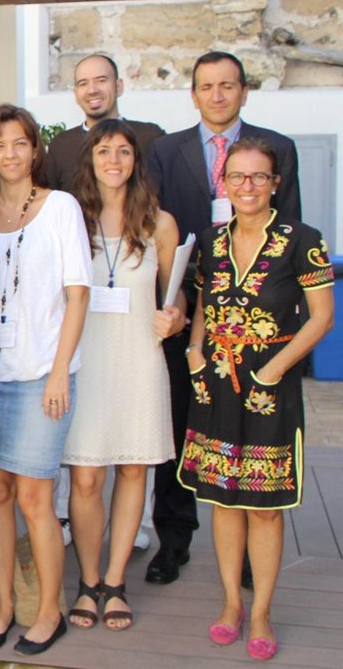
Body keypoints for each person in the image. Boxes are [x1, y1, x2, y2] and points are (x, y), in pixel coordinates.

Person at [144, 50, 301, 586]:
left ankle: (254, 555)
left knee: (252, 435)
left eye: (227, 85)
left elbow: (291, 231)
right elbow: (157, 224)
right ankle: (174, 541)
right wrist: (176, 307)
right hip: (187, 307)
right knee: (180, 425)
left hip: (256, 320)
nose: (217, 95)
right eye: (207, 86)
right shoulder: (165, 150)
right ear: (193, 95)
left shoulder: (278, 149)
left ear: (243, 91)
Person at [180, 139, 333, 661]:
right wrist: (195, 350)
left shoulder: (302, 241)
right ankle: (231, 603)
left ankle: (262, 611)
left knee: (264, 507)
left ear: (275, 183)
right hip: (215, 384)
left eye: (258, 176)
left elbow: (322, 318)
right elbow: (203, 301)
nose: (247, 186)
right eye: (237, 177)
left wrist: (274, 367)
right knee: (224, 500)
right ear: (224, 182)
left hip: (270, 387)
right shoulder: (210, 241)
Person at [0, 105, 91, 657]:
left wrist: (60, 371)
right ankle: (4, 606)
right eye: (0, 145)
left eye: (20, 142)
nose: (10, 154)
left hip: (42, 373)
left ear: (35, 149)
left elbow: (78, 294)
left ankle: (49, 611)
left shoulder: (60, 207)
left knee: (36, 497)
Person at [62, 120, 184, 632]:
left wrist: (176, 316)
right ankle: (88, 581)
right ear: (90, 159)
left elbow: (176, 295)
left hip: (138, 360)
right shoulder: (70, 219)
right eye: (104, 150)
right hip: (85, 360)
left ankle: (115, 583)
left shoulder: (160, 223)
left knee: (134, 470)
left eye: (124, 151)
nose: (114, 160)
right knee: (86, 476)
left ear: (136, 160)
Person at [42, 54, 164, 193]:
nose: (92, 90)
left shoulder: (149, 137)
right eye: (83, 83)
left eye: (101, 80)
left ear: (118, 86)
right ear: (76, 94)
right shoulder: (61, 145)